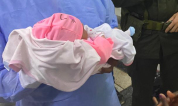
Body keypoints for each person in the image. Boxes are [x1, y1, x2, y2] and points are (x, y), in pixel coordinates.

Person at [3, 13, 136, 92]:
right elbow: (101, 52)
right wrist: (100, 39)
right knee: (115, 38)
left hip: (102, 95)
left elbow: (109, 23)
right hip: (46, 100)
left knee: (111, 32)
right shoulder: (73, 48)